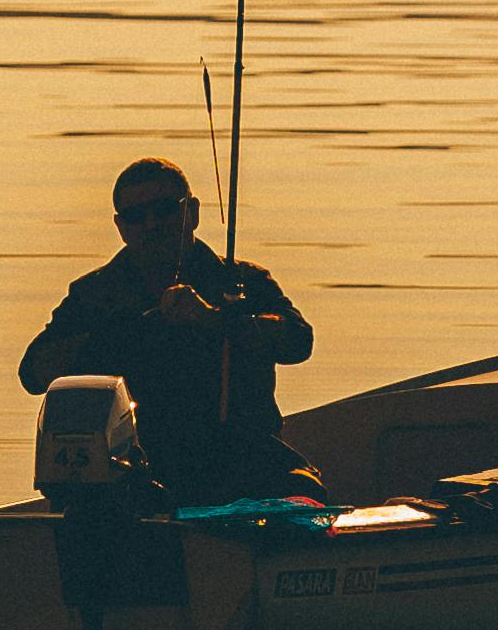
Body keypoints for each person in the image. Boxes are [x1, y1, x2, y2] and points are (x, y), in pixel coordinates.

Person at [19, 160, 317, 510]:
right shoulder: (94, 294)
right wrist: (106, 334)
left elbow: (299, 341)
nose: (151, 224)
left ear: (191, 212)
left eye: (163, 210)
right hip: (139, 470)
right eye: (134, 216)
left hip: (240, 460)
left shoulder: (243, 282)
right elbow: (33, 374)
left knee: (302, 495)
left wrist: (214, 319)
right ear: (120, 226)